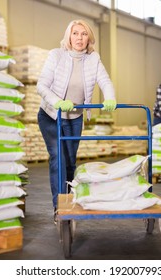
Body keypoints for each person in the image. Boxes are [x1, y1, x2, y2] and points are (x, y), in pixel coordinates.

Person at [37, 19, 117, 224]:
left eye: (83, 34)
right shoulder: (56, 55)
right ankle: (59, 209)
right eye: (75, 33)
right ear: (68, 36)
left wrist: (110, 97)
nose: (79, 38)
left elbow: (105, 81)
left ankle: (70, 203)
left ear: (89, 37)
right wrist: (57, 102)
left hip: (75, 117)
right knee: (58, 158)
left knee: (71, 162)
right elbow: (41, 86)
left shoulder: (93, 58)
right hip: (51, 116)